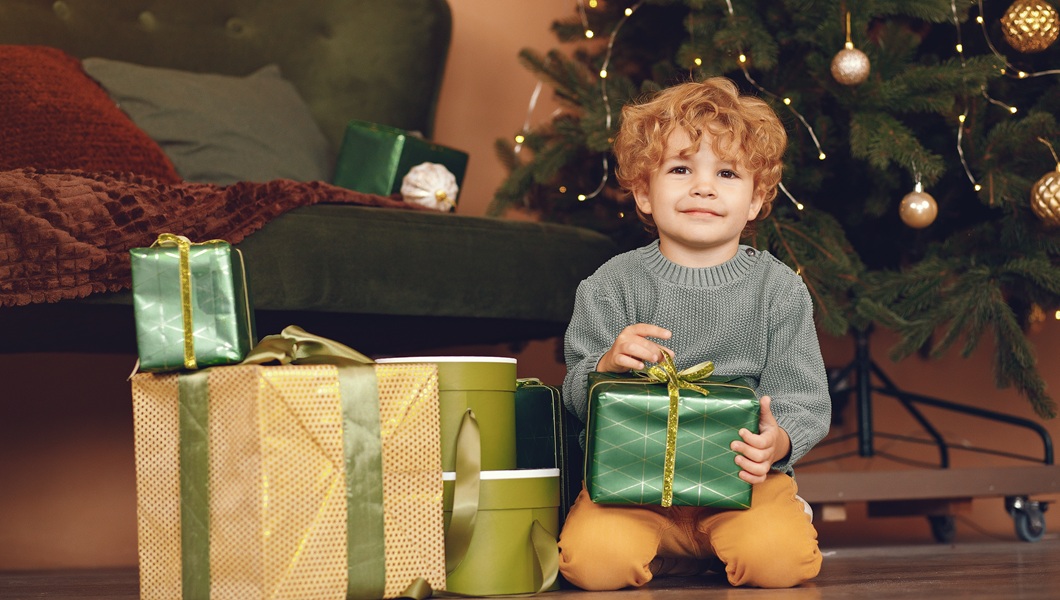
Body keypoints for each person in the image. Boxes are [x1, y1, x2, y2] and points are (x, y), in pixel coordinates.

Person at [559, 77, 831, 589]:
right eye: (680, 169)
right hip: (631, 486)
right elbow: (574, 391)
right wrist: (603, 366)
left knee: (780, 565)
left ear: (755, 201)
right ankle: (675, 552)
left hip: (744, 485)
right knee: (592, 567)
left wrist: (778, 443)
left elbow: (805, 397)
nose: (702, 187)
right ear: (643, 191)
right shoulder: (609, 286)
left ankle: (745, 533)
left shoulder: (779, 290)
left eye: (727, 173)